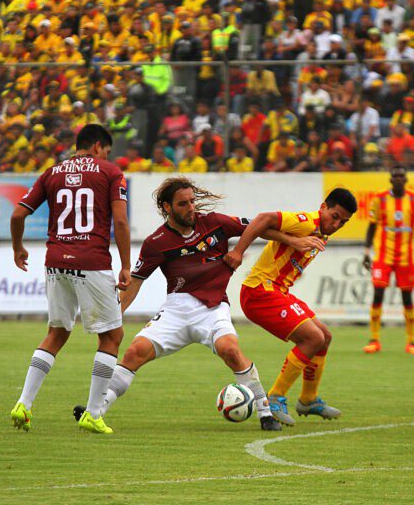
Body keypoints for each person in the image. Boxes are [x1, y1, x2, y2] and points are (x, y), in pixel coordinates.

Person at [72, 177, 321, 431]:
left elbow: (256, 226)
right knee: (134, 353)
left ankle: (265, 412)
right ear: (167, 207)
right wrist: (114, 319)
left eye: (192, 201)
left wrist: (292, 241)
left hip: (213, 309)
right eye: (183, 204)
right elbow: (135, 283)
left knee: (230, 351)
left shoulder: (214, 223)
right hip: (176, 310)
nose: (191, 207)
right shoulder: (156, 242)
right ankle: (96, 411)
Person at [9, 124, 131, 435]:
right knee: (112, 337)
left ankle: (23, 403)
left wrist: (18, 247)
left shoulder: (52, 173)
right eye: (106, 151)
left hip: (55, 262)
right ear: (98, 146)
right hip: (92, 261)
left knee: (56, 333)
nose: (107, 156)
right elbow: (120, 221)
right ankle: (93, 413)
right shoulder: (110, 172)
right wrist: (126, 265)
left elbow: (18, 215)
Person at [224, 188, 358, 426]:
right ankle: (275, 397)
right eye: (335, 216)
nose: (337, 224)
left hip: (278, 291)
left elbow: (270, 232)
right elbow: (262, 219)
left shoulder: (321, 233)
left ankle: (308, 399)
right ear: (323, 208)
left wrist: (290, 241)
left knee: (324, 337)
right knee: (313, 338)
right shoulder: (305, 222)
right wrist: (238, 251)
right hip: (260, 291)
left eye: (344, 222)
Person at [362, 165, 414, 355]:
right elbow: (371, 227)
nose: (398, 179)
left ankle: (411, 342)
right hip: (383, 256)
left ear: (405, 179)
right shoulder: (379, 199)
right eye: (395, 176)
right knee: (378, 294)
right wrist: (366, 252)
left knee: (407, 298)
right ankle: (374, 339)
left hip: (406, 257)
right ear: (390, 179)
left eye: (401, 176)